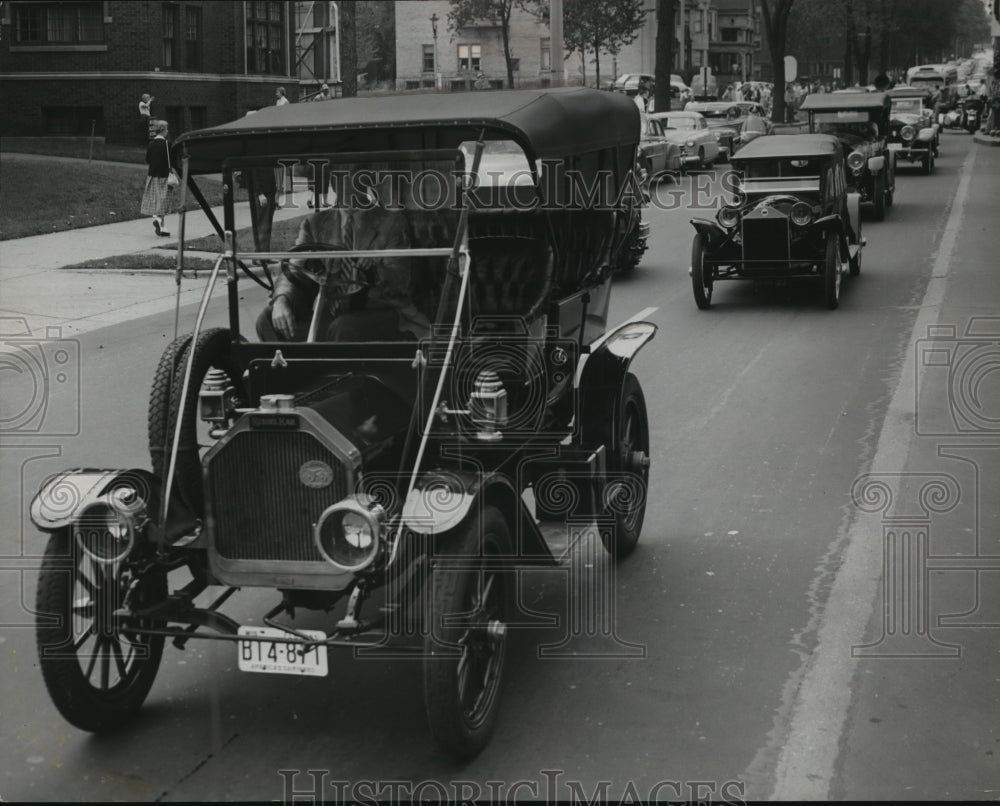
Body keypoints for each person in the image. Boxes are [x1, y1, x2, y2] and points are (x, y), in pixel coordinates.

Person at [256, 178, 429, 343]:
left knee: (343, 328)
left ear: (365, 181)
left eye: (353, 177)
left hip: (377, 307)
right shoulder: (314, 223)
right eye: (340, 178)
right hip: (326, 308)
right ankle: (284, 370)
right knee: (267, 319)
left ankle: (340, 374)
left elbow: (401, 279)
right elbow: (292, 269)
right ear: (333, 182)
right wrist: (281, 300)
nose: (346, 185)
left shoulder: (391, 222)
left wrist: (375, 270)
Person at [140, 120, 175, 237]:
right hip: (165, 176)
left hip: (152, 176)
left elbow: (148, 159)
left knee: (155, 200)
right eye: (167, 128)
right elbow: (172, 160)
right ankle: (159, 221)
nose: (168, 131)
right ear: (163, 130)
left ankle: (162, 226)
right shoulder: (167, 144)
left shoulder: (151, 144)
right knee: (164, 201)